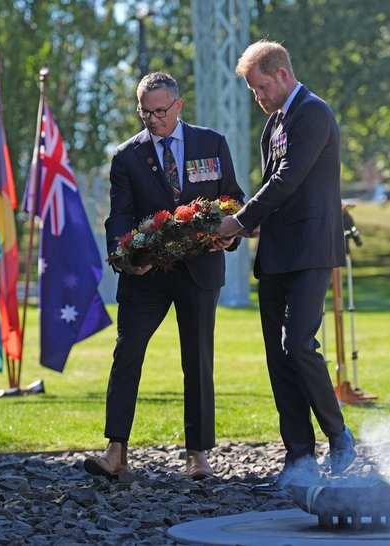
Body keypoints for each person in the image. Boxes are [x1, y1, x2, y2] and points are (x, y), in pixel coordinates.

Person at [85, 72, 244, 479]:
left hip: (200, 267)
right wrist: (123, 256)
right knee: (128, 352)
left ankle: (198, 455)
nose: (152, 120)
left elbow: (234, 199)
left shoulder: (213, 143)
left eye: (159, 111)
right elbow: (119, 214)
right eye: (144, 113)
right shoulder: (126, 155)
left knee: (197, 358)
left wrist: (229, 234)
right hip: (146, 271)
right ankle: (116, 450)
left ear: (178, 106)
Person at [217, 40, 355, 483]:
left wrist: (238, 221)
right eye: (253, 91)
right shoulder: (272, 125)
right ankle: (298, 457)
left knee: (298, 343)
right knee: (279, 359)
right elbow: (274, 189)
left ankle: (338, 436)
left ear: (281, 74)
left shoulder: (313, 112)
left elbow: (289, 178)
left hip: (311, 249)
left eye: (260, 88)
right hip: (276, 253)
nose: (257, 98)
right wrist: (252, 226)